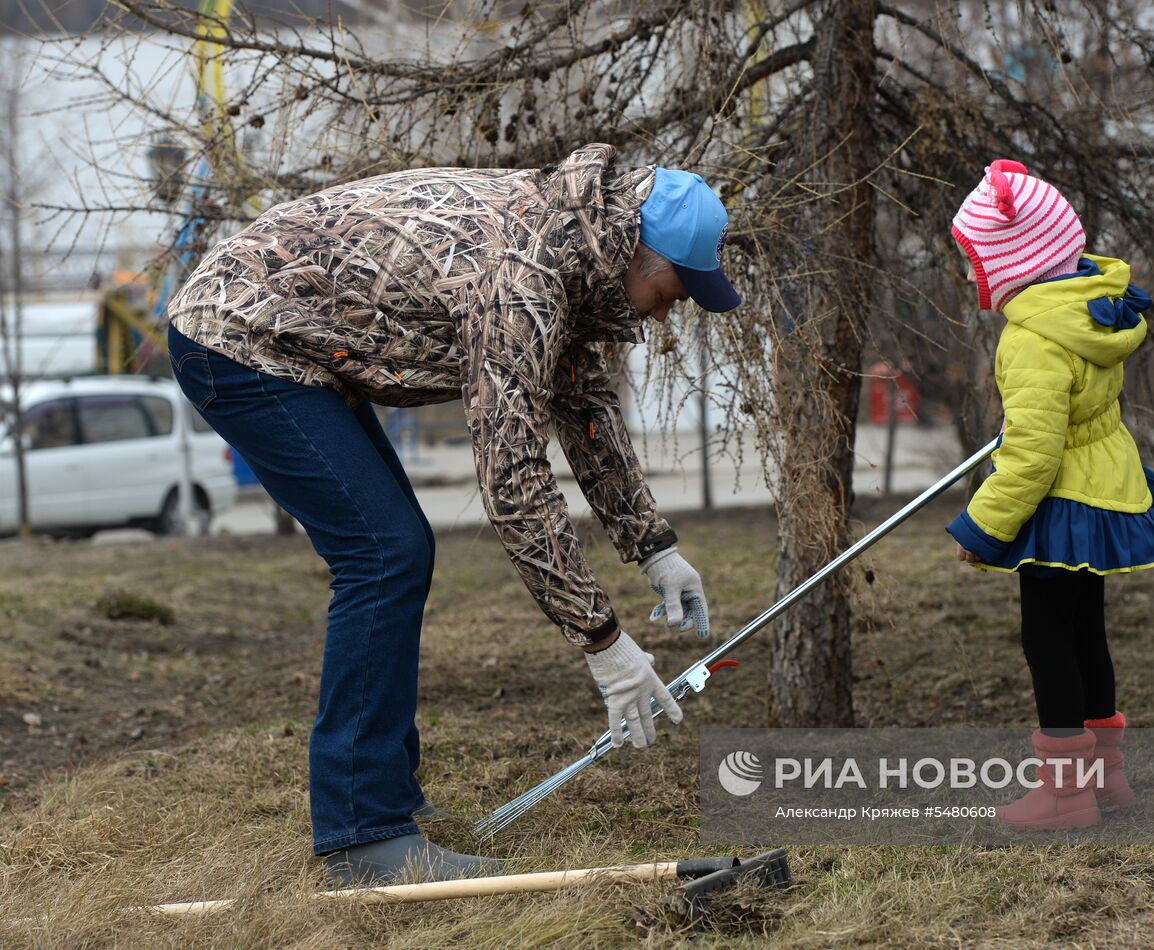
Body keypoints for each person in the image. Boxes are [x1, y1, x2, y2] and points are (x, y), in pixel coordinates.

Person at [165, 143, 741, 883]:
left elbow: (585, 408)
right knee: (384, 554)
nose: (668, 312)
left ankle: (382, 799)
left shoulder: (573, 246)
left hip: (291, 336)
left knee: (396, 550)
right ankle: (361, 834)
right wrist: (602, 641)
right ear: (637, 249)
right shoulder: (523, 277)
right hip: (239, 336)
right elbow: (513, 477)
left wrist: (652, 546)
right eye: (673, 290)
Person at [944, 159, 1154, 831]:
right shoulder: (1086, 312)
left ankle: (1065, 796)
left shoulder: (1032, 339)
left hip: (1059, 505)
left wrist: (981, 527)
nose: (968, 275)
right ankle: (1107, 780)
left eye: (973, 260)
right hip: (1104, 490)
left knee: (1047, 641)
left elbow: (1035, 454)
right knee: (1085, 635)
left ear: (1015, 260)